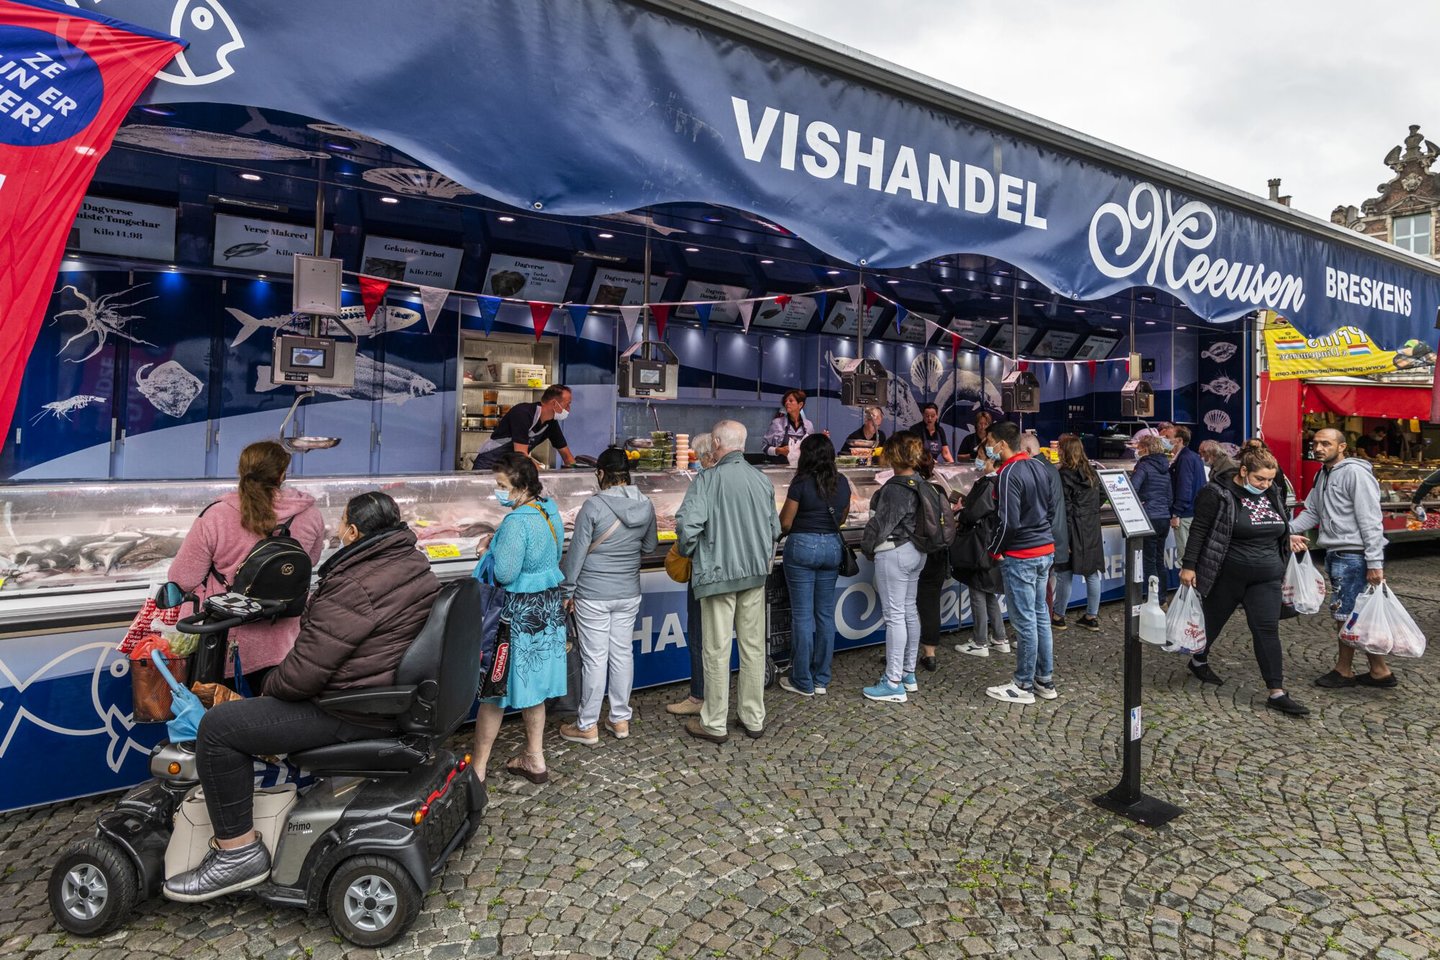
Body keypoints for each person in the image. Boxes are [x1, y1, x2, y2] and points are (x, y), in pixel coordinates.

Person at [164, 492, 440, 901]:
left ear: (353, 531)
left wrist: (267, 688)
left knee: (219, 728)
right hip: (380, 694)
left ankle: (237, 853)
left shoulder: (354, 584)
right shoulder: (411, 562)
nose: (336, 530)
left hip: (349, 709)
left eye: (341, 523)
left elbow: (300, 679)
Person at [168, 440, 326, 693]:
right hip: (287, 644)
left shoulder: (217, 515)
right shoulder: (311, 513)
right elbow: (312, 560)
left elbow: (183, 578)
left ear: (241, 470)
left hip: (227, 641)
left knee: (225, 721)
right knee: (271, 722)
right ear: (283, 474)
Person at [1179, 448, 1309, 716]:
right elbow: (1199, 530)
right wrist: (1189, 566)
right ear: (1243, 472)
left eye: (1270, 480)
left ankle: (1277, 691)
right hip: (1227, 574)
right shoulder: (1216, 493)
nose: (1266, 485)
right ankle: (1198, 658)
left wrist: (1288, 538)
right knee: (1212, 621)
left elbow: (1277, 524)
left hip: (1267, 577)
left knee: (1266, 629)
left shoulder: (1272, 492)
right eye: (1260, 479)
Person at [675, 421, 780, 742]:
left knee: (716, 649)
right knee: (752, 649)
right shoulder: (762, 480)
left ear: (717, 442)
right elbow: (775, 530)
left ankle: (715, 723)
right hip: (754, 576)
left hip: (717, 576)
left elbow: (688, 527)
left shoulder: (707, 479)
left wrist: (693, 552)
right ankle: (753, 718)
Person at [471, 453, 567, 784]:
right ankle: (535, 759)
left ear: (521, 486)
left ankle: (478, 769)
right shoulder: (549, 511)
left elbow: (506, 573)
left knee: (495, 690)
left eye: (502, 486)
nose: (498, 492)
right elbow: (552, 557)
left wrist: (486, 551)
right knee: (535, 685)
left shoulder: (516, 522)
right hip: (546, 611)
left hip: (515, 617)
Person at [558, 448, 658, 746]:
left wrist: (567, 591)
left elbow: (575, 556)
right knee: (622, 653)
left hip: (593, 594)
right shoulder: (647, 504)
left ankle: (587, 724)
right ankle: (619, 718)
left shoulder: (593, 506)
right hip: (628, 592)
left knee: (595, 658)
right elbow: (650, 545)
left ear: (601, 473)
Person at [1289, 428, 1394, 689]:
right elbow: (1312, 512)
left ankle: (1344, 670)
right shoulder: (1322, 474)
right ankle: (1379, 671)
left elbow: (1370, 519)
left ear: (1342, 447)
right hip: (1337, 553)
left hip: (1354, 555)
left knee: (1344, 613)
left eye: (1326, 443)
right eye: (1315, 443)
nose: (1319, 448)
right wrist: (1281, 529)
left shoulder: (1355, 473)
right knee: (1357, 613)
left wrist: (1374, 562)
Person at [984, 420, 1056, 705]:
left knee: (1025, 621)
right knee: (1040, 617)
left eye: (990, 440)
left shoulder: (1007, 472)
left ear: (1001, 444)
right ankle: (1044, 679)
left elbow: (1008, 521)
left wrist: (995, 549)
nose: (988, 446)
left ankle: (1023, 684)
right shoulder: (1040, 466)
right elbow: (1049, 507)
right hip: (1044, 551)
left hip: (1022, 556)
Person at [777, 434, 851, 696]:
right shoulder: (842, 483)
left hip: (802, 548)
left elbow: (785, 523)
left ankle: (801, 680)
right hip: (831, 548)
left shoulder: (801, 482)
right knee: (824, 615)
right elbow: (841, 518)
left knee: (803, 615)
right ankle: (821, 679)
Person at [859, 433, 928, 702]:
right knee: (909, 611)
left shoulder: (894, 488)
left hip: (895, 552)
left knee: (895, 616)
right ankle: (908, 673)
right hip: (916, 552)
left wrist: (867, 547)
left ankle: (893, 681)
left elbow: (880, 526)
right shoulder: (919, 482)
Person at [667, 432, 717, 717]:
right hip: (742, 570)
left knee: (699, 635)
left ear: (708, 456)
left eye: (698, 458)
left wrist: (685, 549)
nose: (696, 463)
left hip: (706, 568)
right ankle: (720, 698)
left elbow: (687, 527)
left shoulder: (703, 482)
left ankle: (700, 696)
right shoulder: (748, 478)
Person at [952, 452, 1008, 657]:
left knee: (977, 589)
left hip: (980, 543)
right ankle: (1000, 637)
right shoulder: (1001, 480)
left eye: (982, 457)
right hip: (990, 542)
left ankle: (980, 641)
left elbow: (975, 513)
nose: (979, 460)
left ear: (992, 460)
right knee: (988, 590)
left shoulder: (988, 483)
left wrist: (961, 512)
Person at [1053, 436, 1105, 632]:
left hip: (1072, 527)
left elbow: (1064, 509)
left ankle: (1059, 616)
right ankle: (1092, 616)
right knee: (1092, 573)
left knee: (1063, 572)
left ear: (1064, 452)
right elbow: (1102, 494)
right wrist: (1091, 510)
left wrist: (1063, 537)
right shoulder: (1092, 471)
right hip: (1091, 527)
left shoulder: (1063, 475)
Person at [1021, 433, 1069, 631]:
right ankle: (1043, 627)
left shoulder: (1036, 470)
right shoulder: (1049, 468)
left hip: (1042, 538)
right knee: (1045, 587)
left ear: (1028, 451)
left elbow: (1040, 508)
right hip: (1052, 536)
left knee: (1039, 590)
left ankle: (1038, 629)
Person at [914, 449, 955, 672]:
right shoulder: (939, 488)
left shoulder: (911, 488)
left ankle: (904, 653)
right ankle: (929, 654)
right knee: (930, 603)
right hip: (938, 551)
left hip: (917, 551)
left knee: (906, 604)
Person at [471, 384, 576, 470]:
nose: (569, 409)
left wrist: (576, 475)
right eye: (567, 404)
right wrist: (544, 475)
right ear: (554, 403)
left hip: (510, 469)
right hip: (488, 465)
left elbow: (566, 455)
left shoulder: (551, 423)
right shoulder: (522, 413)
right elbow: (521, 453)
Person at [1131, 434, 1174, 604]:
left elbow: (1133, 488)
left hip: (1149, 517)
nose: (1137, 451)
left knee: (1148, 561)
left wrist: (1144, 500)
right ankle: (1162, 597)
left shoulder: (1144, 466)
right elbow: (1170, 497)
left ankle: (1152, 598)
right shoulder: (1166, 468)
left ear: (1146, 449)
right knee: (1158, 559)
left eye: (1139, 447)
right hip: (1164, 518)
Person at [1168, 425, 1206, 560]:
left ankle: (1188, 582)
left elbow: (1185, 487)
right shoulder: (1194, 457)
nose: (1165, 441)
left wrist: (1176, 512)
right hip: (1194, 511)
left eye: (1168, 438)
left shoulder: (1184, 459)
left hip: (1185, 513)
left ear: (1178, 440)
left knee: (1185, 557)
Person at [762, 388, 824, 460]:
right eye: (786, 401)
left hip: (801, 467)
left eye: (791, 401)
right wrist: (779, 450)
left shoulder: (808, 425)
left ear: (800, 405)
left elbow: (812, 450)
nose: (787, 403)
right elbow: (764, 447)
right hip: (780, 468)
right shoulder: (777, 423)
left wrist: (822, 440)